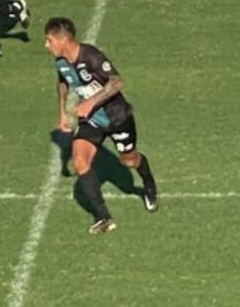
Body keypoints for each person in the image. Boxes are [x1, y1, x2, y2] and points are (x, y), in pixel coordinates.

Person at [45, 17, 158, 235]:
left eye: (49, 40)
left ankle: (149, 183)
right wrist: (62, 113)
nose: (46, 45)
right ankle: (104, 217)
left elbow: (117, 82)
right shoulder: (60, 60)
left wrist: (90, 102)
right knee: (79, 161)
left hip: (116, 117)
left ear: (63, 40)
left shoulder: (91, 56)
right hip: (92, 120)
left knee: (129, 161)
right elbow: (62, 82)